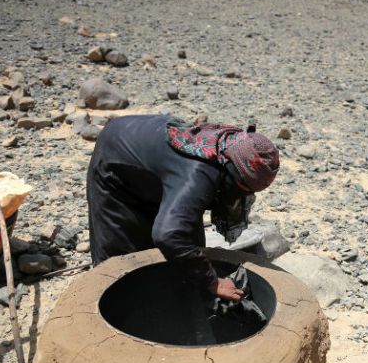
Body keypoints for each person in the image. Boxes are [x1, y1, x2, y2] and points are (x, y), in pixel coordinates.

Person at [86, 114, 280, 301]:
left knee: (186, 240)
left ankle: (179, 298)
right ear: (234, 174)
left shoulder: (230, 147)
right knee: (124, 258)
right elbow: (168, 235)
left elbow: (184, 232)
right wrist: (213, 283)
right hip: (116, 160)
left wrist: (197, 268)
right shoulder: (198, 174)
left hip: (153, 158)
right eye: (244, 189)